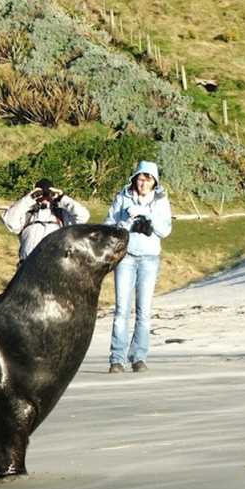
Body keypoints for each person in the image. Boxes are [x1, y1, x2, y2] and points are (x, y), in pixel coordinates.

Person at [104, 160, 172, 373]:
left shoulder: (161, 201)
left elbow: (166, 230)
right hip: (126, 258)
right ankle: (117, 359)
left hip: (150, 259)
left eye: (147, 179)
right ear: (134, 179)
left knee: (144, 311)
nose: (142, 183)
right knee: (122, 309)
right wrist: (126, 221)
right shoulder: (122, 197)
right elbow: (108, 225)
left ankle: (138, 357)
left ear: (154, 182)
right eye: (140, 178)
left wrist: (149, 218)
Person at [1, 178, 90, 261]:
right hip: (28, 268)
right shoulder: (27, 215)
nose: (44, 198)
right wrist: (29, 199)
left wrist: (62, 198)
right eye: (40, 195)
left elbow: (83, 216)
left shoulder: (61, 215)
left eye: (48, 195)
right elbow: (8, 220)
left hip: (53, 268)